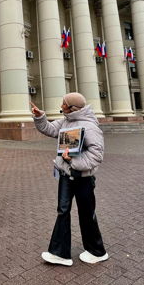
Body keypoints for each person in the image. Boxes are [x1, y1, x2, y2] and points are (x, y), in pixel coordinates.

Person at [31, 92, 108, 266]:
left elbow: (96, 155)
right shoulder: (66, 121)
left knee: (86, 213)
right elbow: (49, 129)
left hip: (83, 178)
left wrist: (73, 161)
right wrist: (40, 117)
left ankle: (97, 251)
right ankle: (60, 253)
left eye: (64, 103)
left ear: (71, 107)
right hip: (66, 175)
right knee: (63, 211)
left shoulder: (90, 126)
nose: (61, 105)